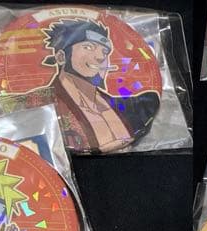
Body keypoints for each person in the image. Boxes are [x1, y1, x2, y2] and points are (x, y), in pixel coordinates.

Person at [41, 19, 159, 152]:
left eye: (105, 51)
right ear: (61, 57)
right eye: (88, 47)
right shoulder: (38, 104)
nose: (100, 57)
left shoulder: (135, 106)